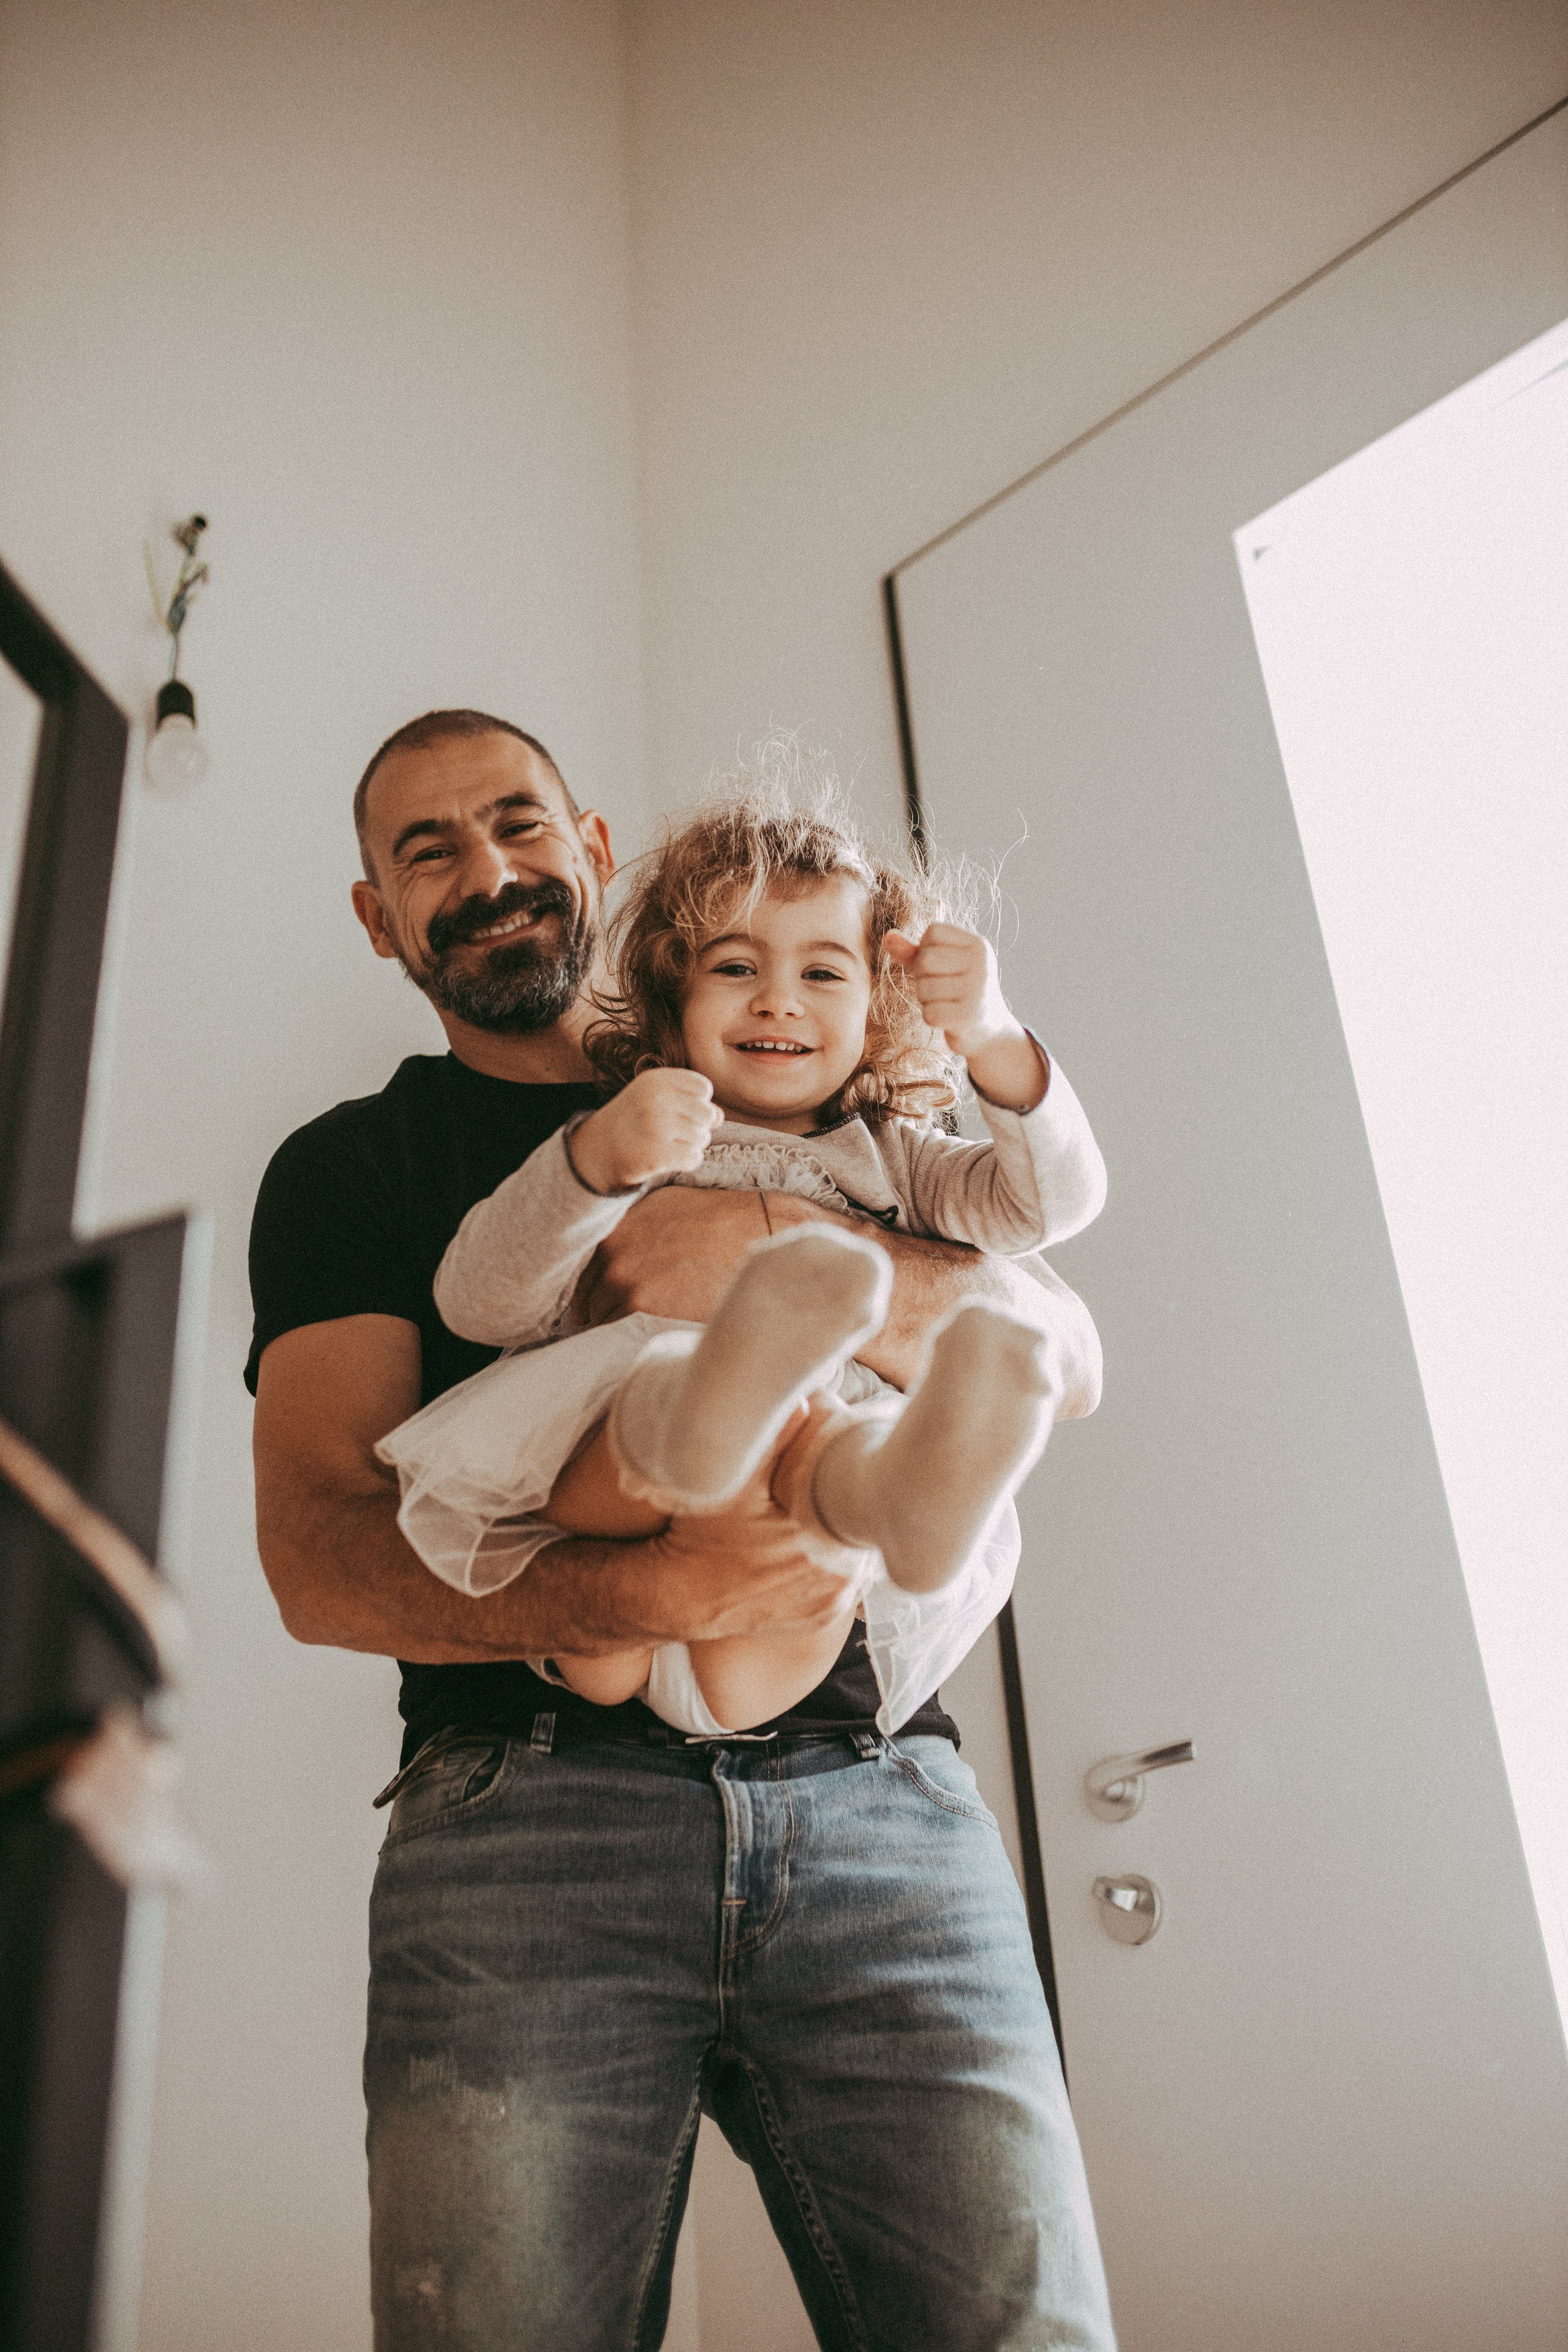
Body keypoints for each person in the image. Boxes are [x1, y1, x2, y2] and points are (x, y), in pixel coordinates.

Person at [247, 710, 1117, 2351]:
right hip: (531, 1817)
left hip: (882, 1799)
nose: (488, 872)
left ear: (593, 844)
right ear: (377, 914)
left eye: (516, 823)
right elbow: (319, 1554)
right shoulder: (357, 1169)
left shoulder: (852, 1096)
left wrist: (759, 1232)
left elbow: (1057, 1341)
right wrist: (657, 1574)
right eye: (426, 850)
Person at [376, 790, 1107, 1742]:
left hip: (763, 1625)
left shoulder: (900, 1156)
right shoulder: (636, 1135)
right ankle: (722, 1402)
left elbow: (1052, 1206)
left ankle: (896, 1496)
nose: (778, 997)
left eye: (823, 970)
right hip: (607, 1546)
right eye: (735, 965)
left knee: (819, 1455)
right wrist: (590, 1163)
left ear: (881, 1004)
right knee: (661, 1390)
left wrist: (997, 1040)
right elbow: (479, 1304)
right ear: (672, 1002)